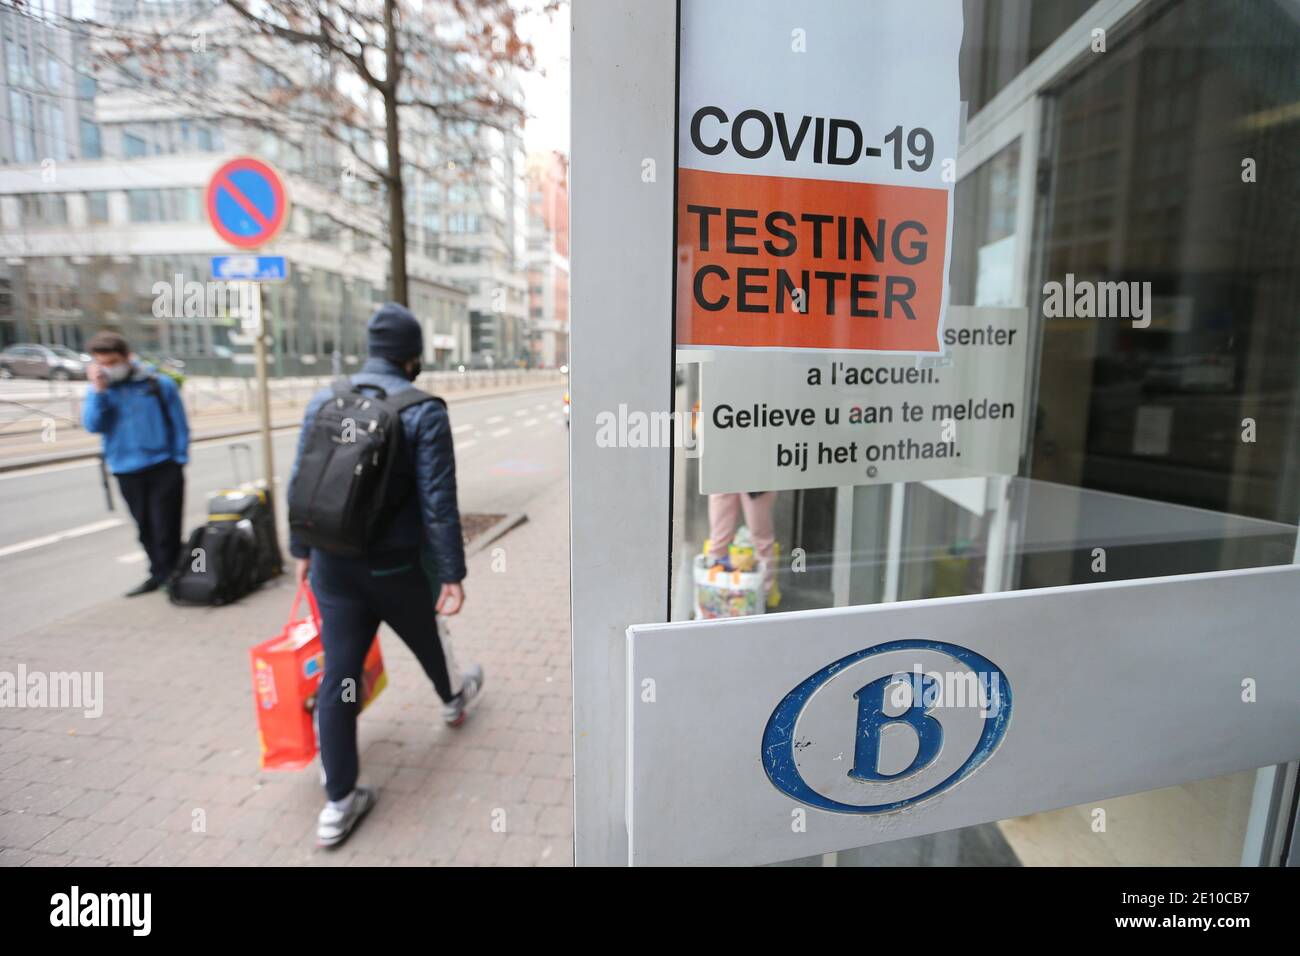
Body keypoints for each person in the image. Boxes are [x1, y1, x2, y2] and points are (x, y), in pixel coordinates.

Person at [288, 302, 482, 848]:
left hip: (333, 567)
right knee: (428, 637)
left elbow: (301, 477)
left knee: (339, 675)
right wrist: (451, 573)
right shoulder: (423, 410)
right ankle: (453, 699)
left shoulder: (326, 397)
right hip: (396, 567)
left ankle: (338, 804)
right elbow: (439, 500)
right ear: (412, 355)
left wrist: (301, 547)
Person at [81, 331, 190, 597]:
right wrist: (99, 392)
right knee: (145, 528)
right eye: (102, 363)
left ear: (127, 357)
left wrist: (179, 460)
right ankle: (157, 573)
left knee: (166, 526)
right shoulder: (101, 390)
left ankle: (173, 576)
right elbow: (93, 425)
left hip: (163, 465)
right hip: (125, 469)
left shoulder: (158, 384)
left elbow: (179, 424)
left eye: (113, 362)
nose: (109, 368)